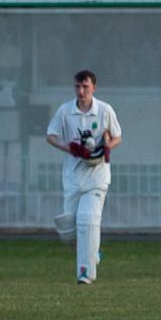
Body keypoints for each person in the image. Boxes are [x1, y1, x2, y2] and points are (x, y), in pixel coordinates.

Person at [47, 69, 123, 285]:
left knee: (87, 220)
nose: (81, 91)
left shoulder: (104, 110)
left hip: (97, 175)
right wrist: (67, 148)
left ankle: (85, 274)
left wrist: (108, 146)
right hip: (73, 176)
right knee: (68, 227)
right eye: (78, 87)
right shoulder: (65, 111)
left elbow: (117, 136)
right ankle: (92, 256)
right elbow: (50, 135)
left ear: (94, 88)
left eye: (85, 87)